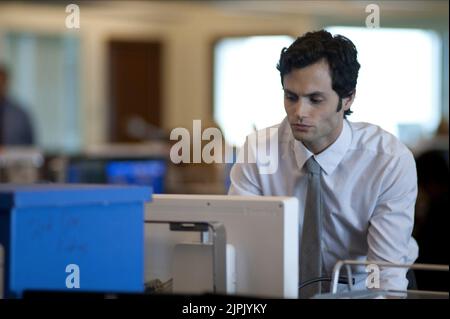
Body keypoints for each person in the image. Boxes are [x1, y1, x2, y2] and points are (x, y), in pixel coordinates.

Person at [228, 30, 418, 298]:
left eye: (315, 100)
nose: (299, 112)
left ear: (348, 98)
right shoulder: (258, 151)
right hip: (286, 286)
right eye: (291, 97)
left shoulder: (389, 161)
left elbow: (385, 278)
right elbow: (239, 248)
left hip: (363, 288)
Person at [0, 64, 34, 146]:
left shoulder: (20, 114)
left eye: (1, 83)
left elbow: (31, 145)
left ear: (6, 83)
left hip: (14, 158)